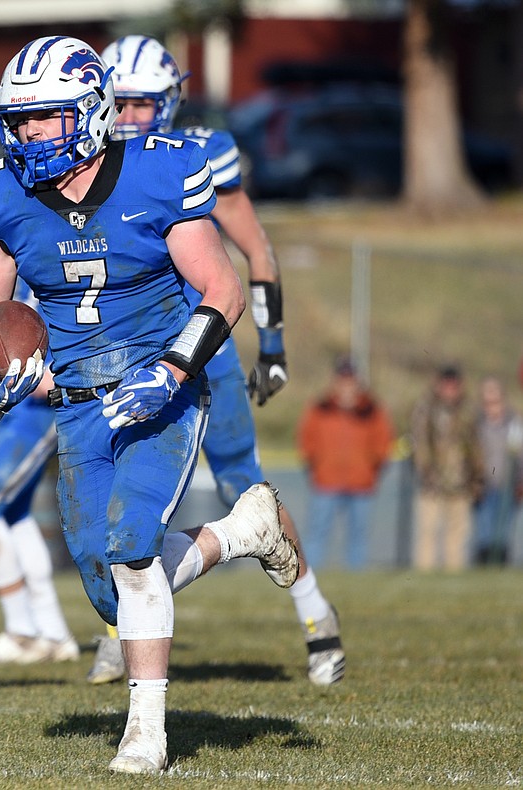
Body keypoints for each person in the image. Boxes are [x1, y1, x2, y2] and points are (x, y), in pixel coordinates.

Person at [0, 36, 299, 774]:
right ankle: (243, 532)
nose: (25, 135)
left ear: (87, 108)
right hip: (77, 402)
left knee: (134, 545)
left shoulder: (156, 173)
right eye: (16, 121)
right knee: (106, 583)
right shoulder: (4, 198)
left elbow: (223, 290)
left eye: (42, 118)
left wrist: (174, 370)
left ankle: (145, 732)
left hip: (159, 386)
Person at [84, 33, 346, 688]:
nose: (133, 115)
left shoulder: (196, 155)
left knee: (242, 483)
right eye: (123, 101)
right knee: (120, 494)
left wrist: (274, 341)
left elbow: (255, 250)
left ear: (170, 100)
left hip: (203, 352)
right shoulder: (79, 161)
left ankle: (315, 613)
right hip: (122, 353)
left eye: (145, 102)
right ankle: (119, 626)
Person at [0, 281, 79, 667]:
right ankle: (54, 634)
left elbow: (66, 364)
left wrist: (28, 381)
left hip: (37, 410)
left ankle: (22, 630)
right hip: (19, 409)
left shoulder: (59, 262)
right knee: (15, 515)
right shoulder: (19, 267)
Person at [297, 356, 395, 569]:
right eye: (342, 379)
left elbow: (384, 443)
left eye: (350, 379)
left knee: (358, 537)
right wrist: (316, 466)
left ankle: (356, 581)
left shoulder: (371, 408)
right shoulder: (320, 407)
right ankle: (311, 580)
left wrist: (371, 468)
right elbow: (306, 440)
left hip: (361, 483)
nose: (346, 384)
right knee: (317, 534)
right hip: (326, 481)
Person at [409, 364, 484, 570]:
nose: (450, 389)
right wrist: (426, 472)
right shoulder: (426, 410)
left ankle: (454, 577)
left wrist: (478, 477)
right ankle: (424, 577)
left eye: (454, 385)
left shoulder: (468, 411)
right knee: (428, 532)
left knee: (458, 535)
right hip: (431, 484)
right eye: (446, 385)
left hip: (461, 483)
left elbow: (476, 447)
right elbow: (420, 444)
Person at [472, 376, 523, 565]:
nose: (491, 405)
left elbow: (519, 456)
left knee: (502, 532)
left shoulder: (514, 423)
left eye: (495, 400)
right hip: (483, 486)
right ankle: (484, 565)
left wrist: (519, 481)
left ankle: (500, 564)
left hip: (506, 485)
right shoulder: (476, 424)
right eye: (487, 401)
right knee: (484, 531)